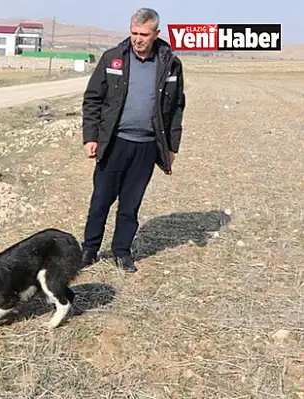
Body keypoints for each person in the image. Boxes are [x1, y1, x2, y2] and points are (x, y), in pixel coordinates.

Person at [80, 8, 186, 273]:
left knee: (130, 203)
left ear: (156, 34)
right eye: (134, 33)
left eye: (144, 34)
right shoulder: (113, 58)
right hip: (114, 142)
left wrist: (172, 146)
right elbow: (92, 99)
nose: (138, 39)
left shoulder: (170, 64)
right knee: (101, 199)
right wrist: (91, 137)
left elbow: (176, 107)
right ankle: (89, 249)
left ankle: (121, 251)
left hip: (147, 146)